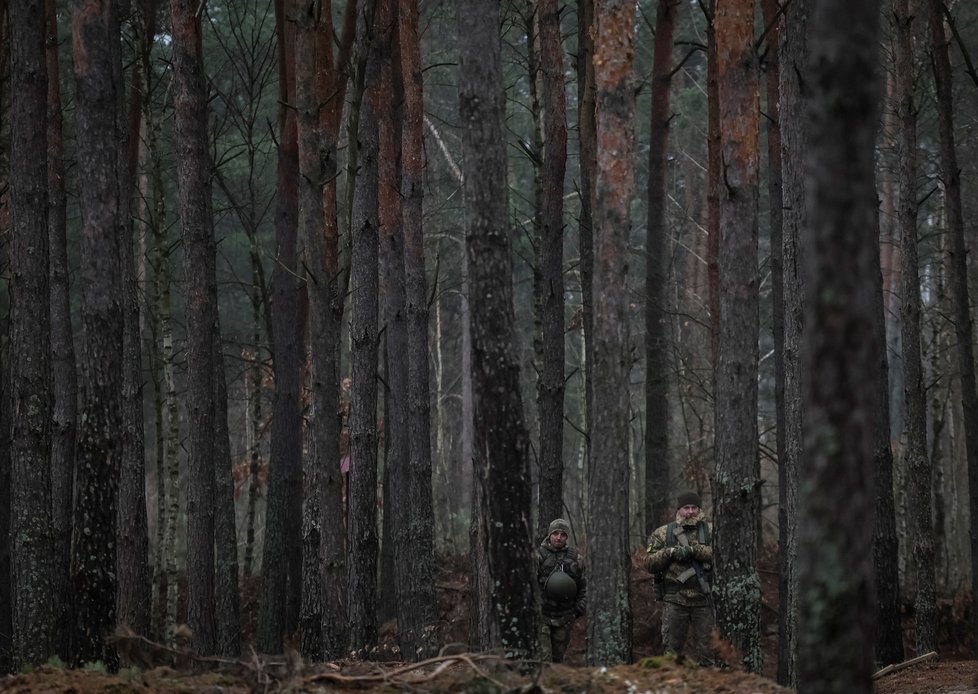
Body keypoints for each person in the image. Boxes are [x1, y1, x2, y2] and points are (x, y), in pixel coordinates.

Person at [644, 491, 714, 664]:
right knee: (671, 655)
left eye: (694, 508)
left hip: (705, 600)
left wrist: (694, 550)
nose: (690, 512)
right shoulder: (663, 533)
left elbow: (721, 555)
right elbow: (648, 563)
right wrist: (669, 552)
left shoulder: (711, 531)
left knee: (709, 653)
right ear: (679, 509)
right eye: (686, 508)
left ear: (699, 509)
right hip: (675, 600)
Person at [536, 517, 586, 663]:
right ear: (549, 534)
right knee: (544, 660)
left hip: (564, 618)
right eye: (556, 533)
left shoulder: (576, 558)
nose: (559, 537)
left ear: (567, 537)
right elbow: (529, 585)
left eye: (563, 534)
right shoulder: (538, 556)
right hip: (542, 617)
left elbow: (584, 586)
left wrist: (578, 610)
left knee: (558, 660)